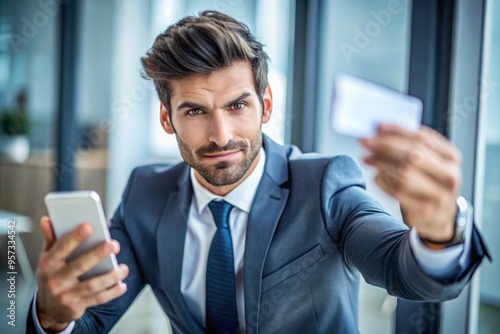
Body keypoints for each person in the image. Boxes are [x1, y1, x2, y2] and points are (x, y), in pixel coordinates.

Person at [27, 10, 489, 334]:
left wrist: (438, 233)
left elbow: (405, 271)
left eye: (237, 105)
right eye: (194, 111)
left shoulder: (325, 184)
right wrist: (52, 314)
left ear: (265, 105)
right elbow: (89, 320)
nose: (220, 134)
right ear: (167, 119)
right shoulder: (146, 192)